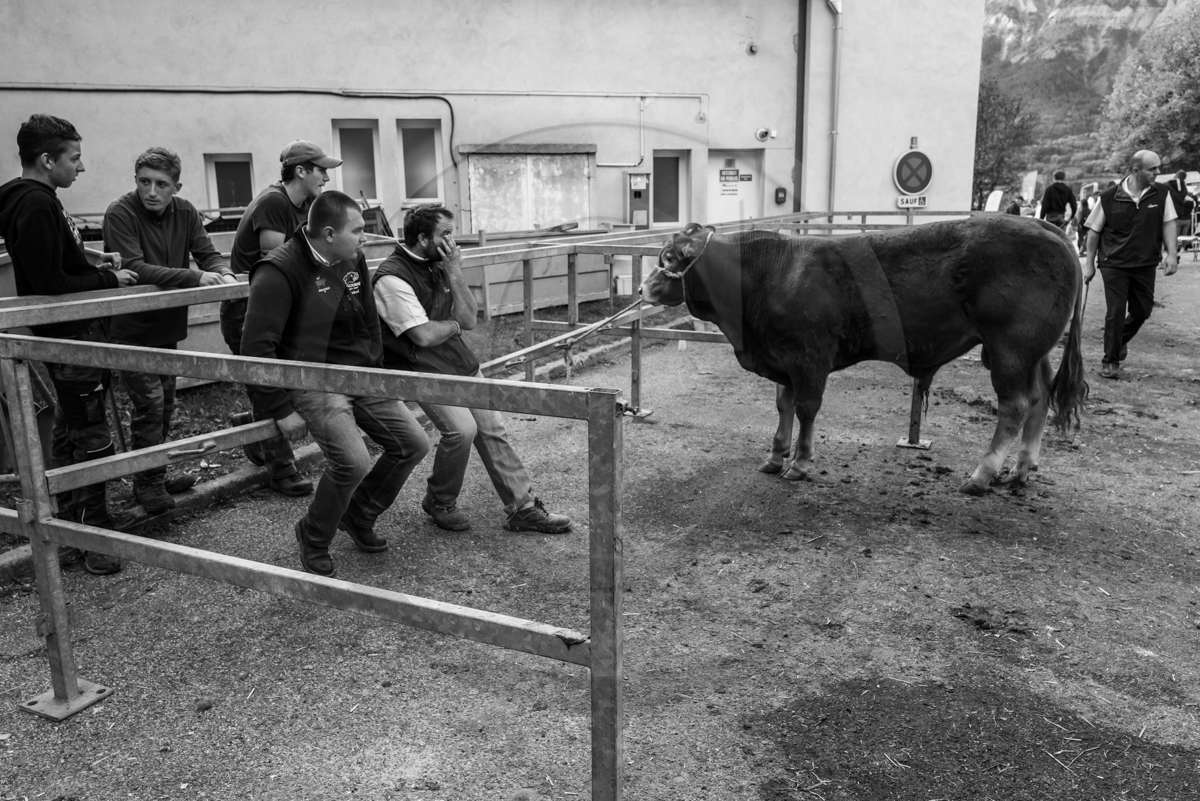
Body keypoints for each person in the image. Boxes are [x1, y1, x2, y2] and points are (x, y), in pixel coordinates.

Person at [240, 191, 430, 577]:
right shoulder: (278, 270)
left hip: (358, 373)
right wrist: (281, 410)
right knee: (353, 460)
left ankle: (358, 514)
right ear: (328, 233)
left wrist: (374, 368)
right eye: (358, 230)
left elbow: (368, 319)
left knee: (413, 444)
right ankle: (313, 535)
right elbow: (256, 348)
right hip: (312, 380)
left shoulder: (351, 258)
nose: (365, 238)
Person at [373, 204, 571, 535]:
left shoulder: (442, 265)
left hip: (457, 362)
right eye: (446, 234)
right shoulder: (391, 278)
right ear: (423, 238)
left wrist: (454, 272)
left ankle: (522, 508)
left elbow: (469, 320)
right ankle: (439, 501)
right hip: (422, 369)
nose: (455, 242)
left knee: (492, 428)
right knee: (462, 431)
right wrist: (452, 325)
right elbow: (421, 335)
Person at [0, 114, 138, 575]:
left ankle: (64, 524)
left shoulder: (39, 200)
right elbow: (50, 281)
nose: (81, 167)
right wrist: (108, 278)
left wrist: (89, 255)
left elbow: (55, 257)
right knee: (92, 437)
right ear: (46, 159)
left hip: (72, 335)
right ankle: (93, 535)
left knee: (69, 431)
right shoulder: (35, 203)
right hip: (70, 338)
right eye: (74, 158)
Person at [102, 147, 238, 514]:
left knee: (165, 405)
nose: (152, 191)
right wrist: (196, 276)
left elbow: (207, 252)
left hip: (167, 325)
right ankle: (145, 484)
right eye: (144, 182)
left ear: (176, 186)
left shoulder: (186, 211)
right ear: (136, 181)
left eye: (161, 184)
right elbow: (135, 267)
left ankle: (154, 474)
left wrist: (222, 272)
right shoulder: (120, 213)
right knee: (150, 403)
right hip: (130, 329)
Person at [220, 140, 342, 498]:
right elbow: (276, 259)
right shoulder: (274, 202)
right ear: (301, 171)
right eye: (321, 170)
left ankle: (253, 434)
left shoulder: (302, 205)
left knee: (274, 383)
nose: (326, 177)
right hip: (249, 305)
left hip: (276, 301)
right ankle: (281, 468)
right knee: (267, 379)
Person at [1084, 150, 1178, 380]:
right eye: (1152, 169)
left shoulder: (1162, 193)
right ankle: (1110, 360)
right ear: (1136, 171)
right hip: (1114, 263)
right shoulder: (1108, 197)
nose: (1158, 172)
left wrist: (1172, 254)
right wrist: (1089, 264)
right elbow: (1094, 232)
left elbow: (1169, 223)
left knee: (1143, 310)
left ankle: (1121, 339)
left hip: (1145, 262)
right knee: (1115, 311)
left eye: (1158, 168)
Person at [1166, 170, 1195, 238]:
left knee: (1176, 237)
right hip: (1187, 219)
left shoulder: (1168, 186)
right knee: (1184, 237)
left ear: (1176, 176)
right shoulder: (1189, 198)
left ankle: (1176, 248)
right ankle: (1182, 248)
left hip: (1176, 218)